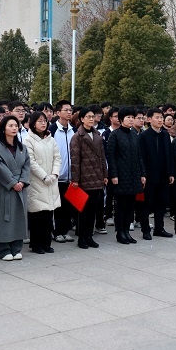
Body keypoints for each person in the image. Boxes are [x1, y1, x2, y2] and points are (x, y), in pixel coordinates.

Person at [0, 115, 31, 260]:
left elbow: (27, 165)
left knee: (19, 216)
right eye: (10, 126)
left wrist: (22, 181)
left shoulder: (22, 147)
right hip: (6, 186)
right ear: (3, 129)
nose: (14, 128)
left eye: (16, 125)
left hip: (20, 186)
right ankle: (4, 249)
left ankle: (17, 247)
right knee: (4, 216)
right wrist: (13, 182)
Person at [70, 107, 109, 249]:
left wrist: (105, 175)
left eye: (93, 116)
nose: (91, 119)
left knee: (93, 209)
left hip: (97, 176)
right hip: (84, 178)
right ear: (81, 119)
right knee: (83, 210)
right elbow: (75, 160)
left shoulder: (97, 135)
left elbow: (102, 157)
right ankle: (81, 237)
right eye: (88, 117)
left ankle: (89, 236)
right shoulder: (77, 137)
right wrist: (75, 179)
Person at [106, 107, 145, 244]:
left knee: (130, 205)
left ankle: (127, 231)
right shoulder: (115, 135)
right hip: (120, 176)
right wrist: (113, 175)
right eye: (128, 117)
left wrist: (142, 174)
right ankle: (120, 232)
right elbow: (110, 156)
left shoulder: (134, 135)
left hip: (134, 176)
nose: (131, 120)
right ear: (121, 119)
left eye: (132, 117)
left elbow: (139, 156)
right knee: (121, 206)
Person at [24, 111, 61, 253]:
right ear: (33, 124)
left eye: (45, 120)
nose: (43, 123)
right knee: (37, 214)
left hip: (51, 180)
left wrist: (54, 174)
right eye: (40, 121)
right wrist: (44, 176)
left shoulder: (51, 139)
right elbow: (31, 162)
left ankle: (46, 243)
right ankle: (36, 244)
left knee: (48, 213)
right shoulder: (28, 140)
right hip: (37, 182)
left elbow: (57, 158)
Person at [139, 108, 175, 239]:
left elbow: (169, 155)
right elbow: (141, 157)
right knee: (146, 203)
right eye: (157, 117)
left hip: (163, 175)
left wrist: (170, 173)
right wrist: (142, 174)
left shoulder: (165, 135)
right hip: (149, 175)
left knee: (161, 202)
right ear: (149, 119)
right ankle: (145, 230)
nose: (160, 120)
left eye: (161, 118)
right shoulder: (143, 136)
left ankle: (159, 228)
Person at [50, 100, 76, 244]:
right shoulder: (52, 130)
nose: (69, 112)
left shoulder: (74, 130)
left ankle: (65, 231)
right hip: (57, 176)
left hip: (71, 176)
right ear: (58, 112)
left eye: (70, 110)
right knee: (58, 206)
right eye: (66, 110)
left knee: (69, 205)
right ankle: (57, 232)